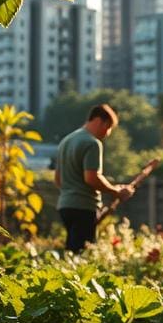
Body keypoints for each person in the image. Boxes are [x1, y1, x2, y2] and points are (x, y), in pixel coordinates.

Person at [54, 104, 134, 252]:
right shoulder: (92, 143)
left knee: (72, 249)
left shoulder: (66, 141)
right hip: (83, 207)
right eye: (108, 126)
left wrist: (71, 192)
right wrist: (115, 191)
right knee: (81, 254)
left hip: (65, 205)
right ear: (98, 120)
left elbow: (58, 179)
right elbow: (92, 178)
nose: (108, 132)